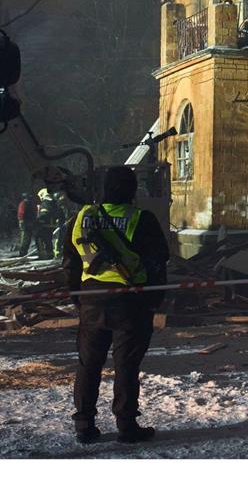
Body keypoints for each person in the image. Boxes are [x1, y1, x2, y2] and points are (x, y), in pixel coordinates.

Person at [62, 166, 169, 445]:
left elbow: (70, 261)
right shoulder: (141, 219)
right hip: (130, 303)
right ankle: (126, 425)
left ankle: (84, 426)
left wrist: (78, 297)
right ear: (132, 191)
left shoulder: (83, 217)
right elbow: (159, 262)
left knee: (88, 364)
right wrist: (153, 301)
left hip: (92, 300)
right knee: (126, 365)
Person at [34, 188, 55, 258]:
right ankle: (50, 254)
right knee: (48, 240)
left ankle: (41, 254)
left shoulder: (45, 202)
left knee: (38, 237)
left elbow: (44, 213)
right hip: (50, 224)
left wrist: (38, 220)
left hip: (45, 224)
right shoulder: (52, 201)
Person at [16, 192, 37, 257]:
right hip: (28, 223)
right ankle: (23, 252)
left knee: (26, 238)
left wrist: (21, 221)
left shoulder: (24, 203)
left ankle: (23, 252)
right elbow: (21, 213)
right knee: (26, 238)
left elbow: (21, 213)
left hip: (27, 223)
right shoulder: (28, 203)